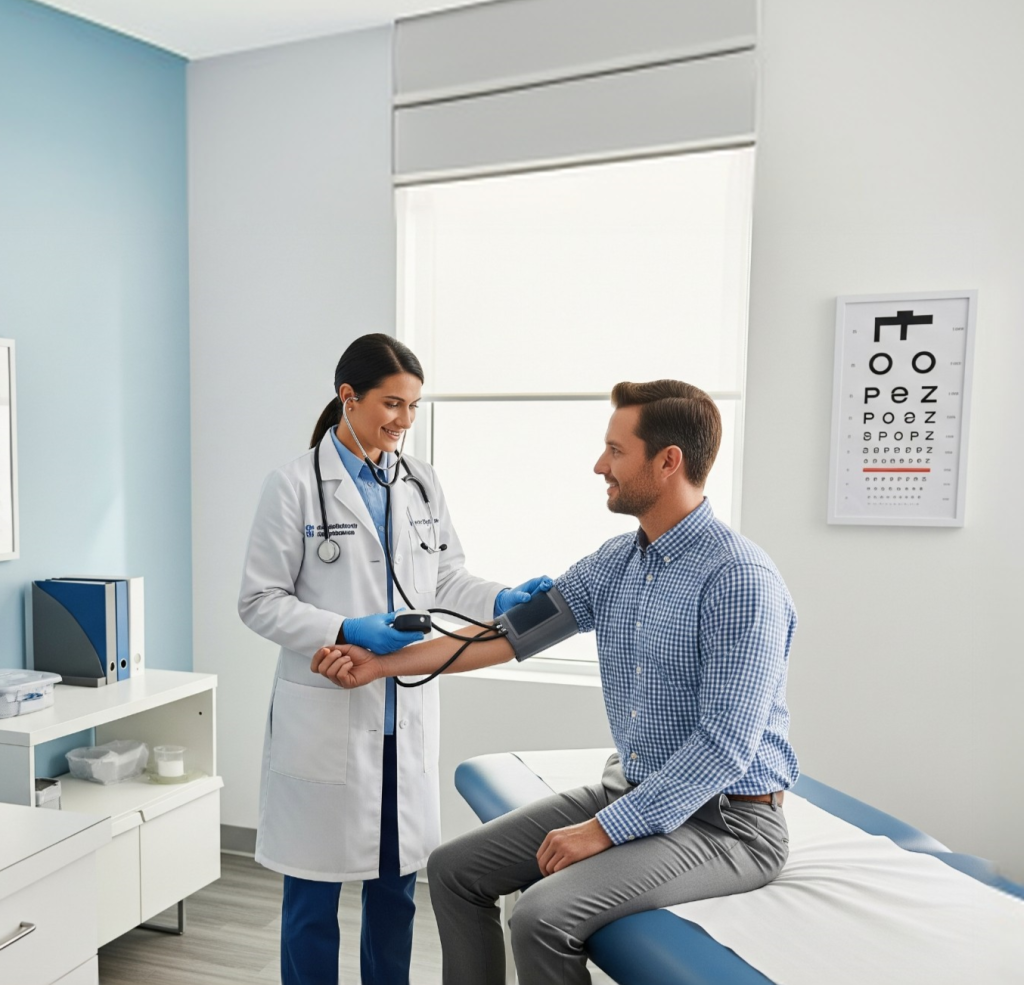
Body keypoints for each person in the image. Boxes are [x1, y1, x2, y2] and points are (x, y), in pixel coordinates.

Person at [311, 378, 799, 985]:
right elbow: (505, 635)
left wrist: (602, 830)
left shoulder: (739, 580)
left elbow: (724, 748)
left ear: (668, 461)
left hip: (725, 822)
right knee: (455, 872)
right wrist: (380, 665)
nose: (600, 466)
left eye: (616, 451)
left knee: (541, 916)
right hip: (634, 789)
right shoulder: (619, 561)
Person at [238, 332, 550, 985]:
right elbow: (258, 601)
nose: (404, 422)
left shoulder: (419, 483)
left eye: (413, 408)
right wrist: (345, 625)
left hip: (400, 716)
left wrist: (505, 599)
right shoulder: (294, 486)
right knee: (311, 905)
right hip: (324, 716)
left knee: (395, 898)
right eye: (392, 404)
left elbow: (445, 579)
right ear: (347, 397)